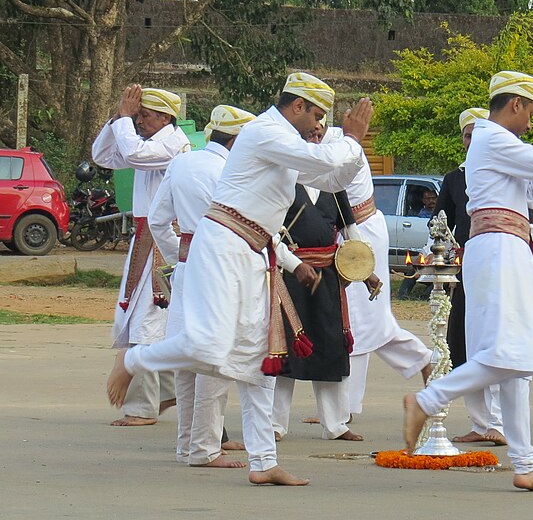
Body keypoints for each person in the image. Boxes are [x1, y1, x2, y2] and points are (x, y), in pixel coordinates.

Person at [107, 72, 371, 486]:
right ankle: (135, 360)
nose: (320, 125)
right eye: (317, 115)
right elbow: (322, 162)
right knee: (208, 344)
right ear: (296, 106)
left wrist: (353, 147)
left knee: (257, 362)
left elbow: (332, 179)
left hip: (253, 251)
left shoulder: (285, 145)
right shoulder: (265, 131)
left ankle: (263, 461)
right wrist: (351, 138)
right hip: (224, 244)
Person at [403, 70, 533, 491]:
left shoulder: (498, 145)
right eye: (530, 112)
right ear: (515, 104)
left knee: (517, 365)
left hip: (504, 246)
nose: (532, 122)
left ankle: (525, 465)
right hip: (498, 247)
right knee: (506, 353)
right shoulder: (493, 137)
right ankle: (427, 399)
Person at [148, 104, 253, 468]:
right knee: (212, 362)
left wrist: (178, 261)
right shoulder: (233, 173)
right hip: (219, 270)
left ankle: (187, 446)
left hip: (188, 267)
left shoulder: (182, 162)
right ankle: (206, 448)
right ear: (238, 139)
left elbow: (158, 221)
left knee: (186, 360)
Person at [320, 125, 433, 428]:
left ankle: (343, 408)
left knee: (356, 320)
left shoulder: (335, 145)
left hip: (360, 233)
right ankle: (422, 359)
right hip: (355, 231)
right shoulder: (328, 141)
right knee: (370, 320)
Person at [92, 84, 191, 426]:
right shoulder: (150, 141)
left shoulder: (171, 144)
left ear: (166, 118)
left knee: (147, 322)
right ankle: (166, 392)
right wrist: (116, 119)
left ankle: (142, 407)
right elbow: (103, 157)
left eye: (144, 115)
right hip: (145, 240)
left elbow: (133, 155)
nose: (138, 121)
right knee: (152, 322)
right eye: (136, 115)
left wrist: (123, 119)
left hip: (162, 242)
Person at [270, 122, 365, 442]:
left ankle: (336, 424)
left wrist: (364, 268)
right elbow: (269, 235)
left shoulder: (333, 183)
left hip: (327, 277)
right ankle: (274, 425)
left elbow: (351, 231)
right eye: (308, 132)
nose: (314, 135)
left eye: (318, 133)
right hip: (290, 277)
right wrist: (295, 265)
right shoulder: (280, 180)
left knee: (330, 346)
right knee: (287, 347)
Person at [436, 107, 505, 445]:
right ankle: (481, 424)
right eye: (467, 135)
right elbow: (441, 226)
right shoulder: (454, 179)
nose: (472, 141)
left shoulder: (503, 168)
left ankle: (500, 423)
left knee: (497, 340)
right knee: (464, 342)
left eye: (478, 135)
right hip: (464, 269)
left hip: (499, 263)